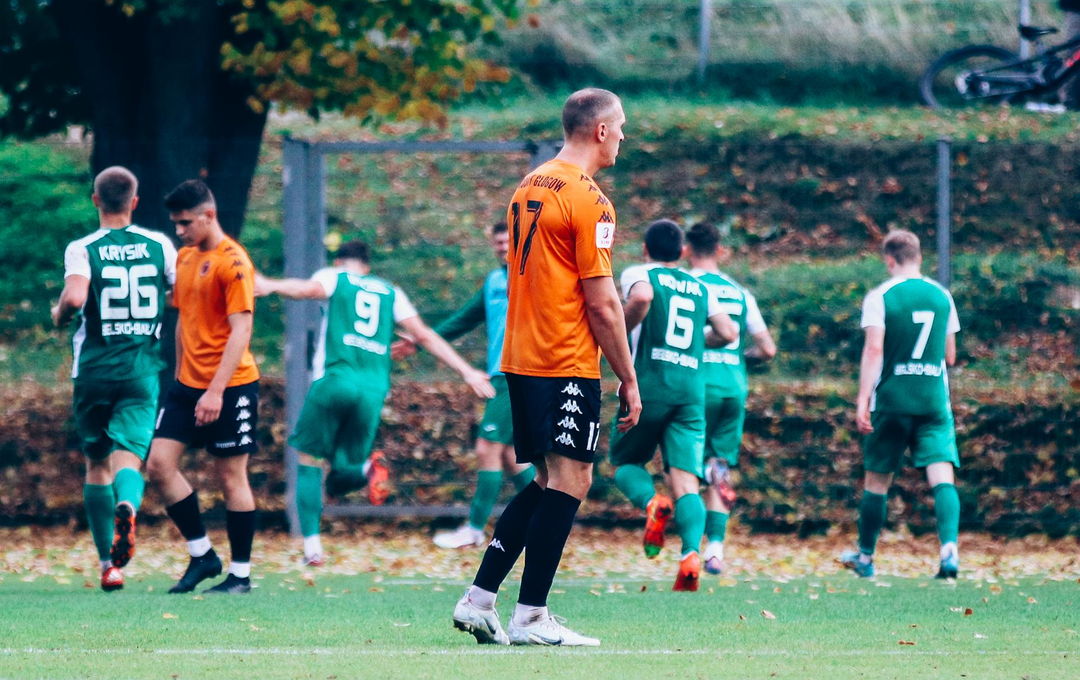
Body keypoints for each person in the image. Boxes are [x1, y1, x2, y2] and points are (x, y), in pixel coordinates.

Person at [452, 88, 641, 648]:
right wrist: (628, 378)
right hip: (563, 358)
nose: (624, 135)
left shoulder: (529, 184)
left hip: (521, 356)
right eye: (621, 125)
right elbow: (603, 304)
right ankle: (531, 615)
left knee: (546, 479)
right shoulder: (591, 200)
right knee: (573, 479)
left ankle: (479, 600)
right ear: (600, 130)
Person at [253, 239, 495, 566]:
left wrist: (270, 285)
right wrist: (467, 371)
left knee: (309, 461)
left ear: (338, 262)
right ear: (367, 267)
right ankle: (367, 469)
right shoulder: (391, 292)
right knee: (344, 472)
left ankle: (312, 550)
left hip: (335, 381)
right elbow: (423, 334)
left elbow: (306, 289)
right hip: (373, 391)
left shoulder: (335, 277)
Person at [52, 166, 177, 591]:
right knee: (129, 456)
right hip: (140, 370)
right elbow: (180, 294)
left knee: (96, 462)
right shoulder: (160, 245)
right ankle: (128, 504)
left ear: (95, 200)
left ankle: (109, 565)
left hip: (94, 370)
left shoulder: (83, 248)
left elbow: (74, 297)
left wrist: (58, 314)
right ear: (135, 202)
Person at [609, 220, 738, 592]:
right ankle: (690, 555)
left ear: (645, 249)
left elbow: (642, 298)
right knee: (687, 483)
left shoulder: (640, 273)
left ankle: (652, 504)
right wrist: (695, 342)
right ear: (682, 252)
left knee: (625, 464)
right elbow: (729, 332)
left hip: (648, 385)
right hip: (691, 392)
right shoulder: (699, 286)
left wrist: (617, 331)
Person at [147, 180, 261, 595]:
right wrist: (182, 375)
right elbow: (183, 317)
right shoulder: (185, 257)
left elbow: (241, 330)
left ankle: (240, 575)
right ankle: (202, 555)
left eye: (185, 223)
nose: (178, 231)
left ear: (208, 215)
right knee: (159, 465)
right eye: (175, 223)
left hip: (231, 387)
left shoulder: (234, 262)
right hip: (187, 386)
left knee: (230, 476)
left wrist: (214, 391)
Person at [840, 230, 962, 579]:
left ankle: (865, 557)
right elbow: (950, 356)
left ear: (889, 260)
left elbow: (874, 349)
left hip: (892, 401)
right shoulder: (942, 296)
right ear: (920, 258)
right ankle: (949, 550)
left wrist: (863, 399)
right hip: (933, 401)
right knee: (942, 477)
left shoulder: (880, 296)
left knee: (877, 481)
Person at [418, 221, 537, 550]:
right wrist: (419, 340)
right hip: (501, 375)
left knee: (487, 448)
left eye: (509, 241)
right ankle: (547, 519)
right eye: (498, 242)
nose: (503, 247)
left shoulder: (535, 276)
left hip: (521, 374)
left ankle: (473, 529)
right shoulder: (494, 280)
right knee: (511, 455)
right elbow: (464, 319)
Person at [685, 222, 776, 576]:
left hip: (696, 386)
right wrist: (738, 357)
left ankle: (690, 550)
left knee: (686, 467)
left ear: (686, 250)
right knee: (719, 466)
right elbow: (767, 349)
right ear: (720, 250)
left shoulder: (684, 284)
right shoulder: (740, 292)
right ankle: (716, 551)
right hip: (733, 387)